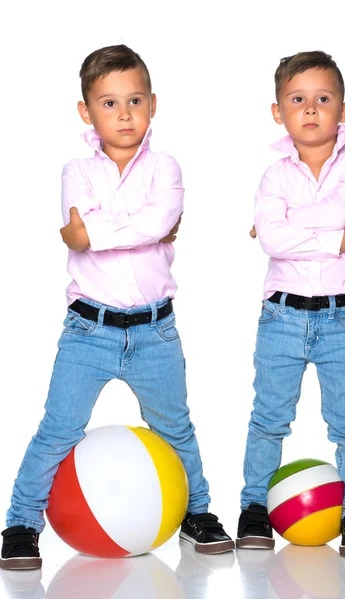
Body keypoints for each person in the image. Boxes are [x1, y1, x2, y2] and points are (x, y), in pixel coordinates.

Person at [0, 44, 234, 570]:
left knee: (175, 428)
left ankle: (198, 514)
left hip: (155, 332)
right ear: (86, 112)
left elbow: (146, 222)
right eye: (108, 103)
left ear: (153, 103)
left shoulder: (166, 167)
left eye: (134, 100)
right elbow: (84, 238)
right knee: (58, 428)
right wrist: (128, 228)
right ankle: (20, 524)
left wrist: (102, 228)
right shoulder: (77, 171)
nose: (124, 113)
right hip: (89, 331)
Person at [236, 51, 345, 558]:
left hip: (344, 318)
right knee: (269, 417)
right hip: (282, 316)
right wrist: (339, 241)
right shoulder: (275, 176)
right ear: (279, 112)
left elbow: (339, 209)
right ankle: (254, 508)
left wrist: (292, 224)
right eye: (298, 100)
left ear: (344, 110)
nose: (312, 109)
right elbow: (272, 242)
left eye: (324, 99)